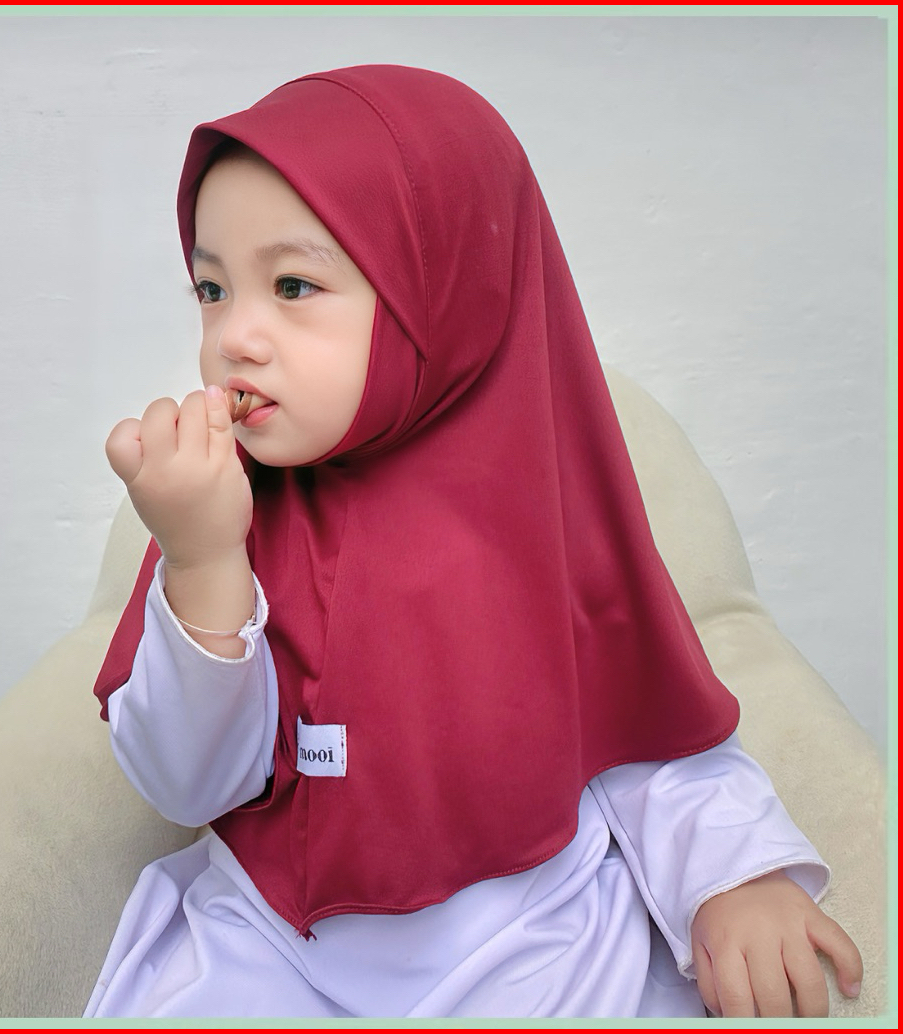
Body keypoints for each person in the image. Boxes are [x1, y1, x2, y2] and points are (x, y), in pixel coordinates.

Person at [86, 65, 862, 1019]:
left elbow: (644, 717)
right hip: (273, 940)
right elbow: (189, 785)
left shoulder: (540, 494)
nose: (233, 337)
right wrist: (204, 560)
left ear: (444, 286)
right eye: (212, 289)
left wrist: (736, 876)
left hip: (535, 936)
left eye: (292, 285)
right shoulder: (221, 501)